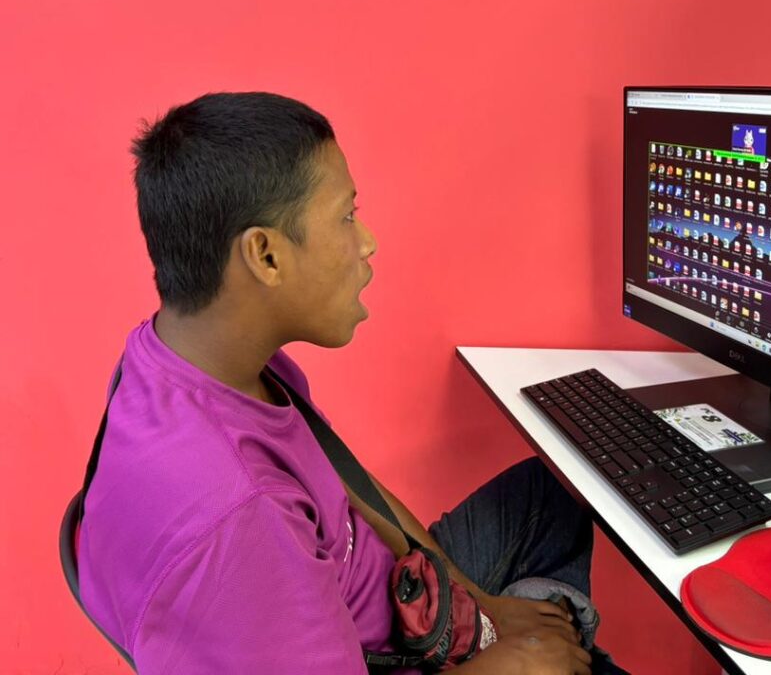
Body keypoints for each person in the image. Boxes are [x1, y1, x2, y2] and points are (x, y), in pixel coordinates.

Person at [78, 92, 620, 674]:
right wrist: (512, 665)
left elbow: (349, 483)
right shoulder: (238, 521)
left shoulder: (193, 358)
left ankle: (545, 635)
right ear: (265, 255)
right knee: (558, 654)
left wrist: (481, 607)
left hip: (395, 600)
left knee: (559, 484)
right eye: (345, 216)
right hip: (380, 652)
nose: (366, 242)